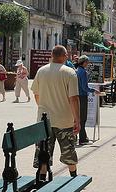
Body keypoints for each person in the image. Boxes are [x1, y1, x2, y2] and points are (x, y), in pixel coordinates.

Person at [31, 45, 80, 178]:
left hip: (44, 121)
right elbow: (74, 98)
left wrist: (44, 107)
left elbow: (36, 94)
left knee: (44, 152)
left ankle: (42, 177)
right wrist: (77, 120)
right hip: (64, 120)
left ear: (51, 56)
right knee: (69, 151)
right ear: (65, 56)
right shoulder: (70, 72)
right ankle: (73, 175)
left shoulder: (41, 71)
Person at [76, 55, 99, 145]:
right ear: (84, 62)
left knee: (76, 117)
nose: (88, 64)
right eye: (87, 62)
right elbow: (84, 87)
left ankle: (75, 137)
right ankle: (83, 138)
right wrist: (93, 90)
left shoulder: (76, 70)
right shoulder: (83, 72)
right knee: (82, 118)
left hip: (76, 96)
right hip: (82, 96)